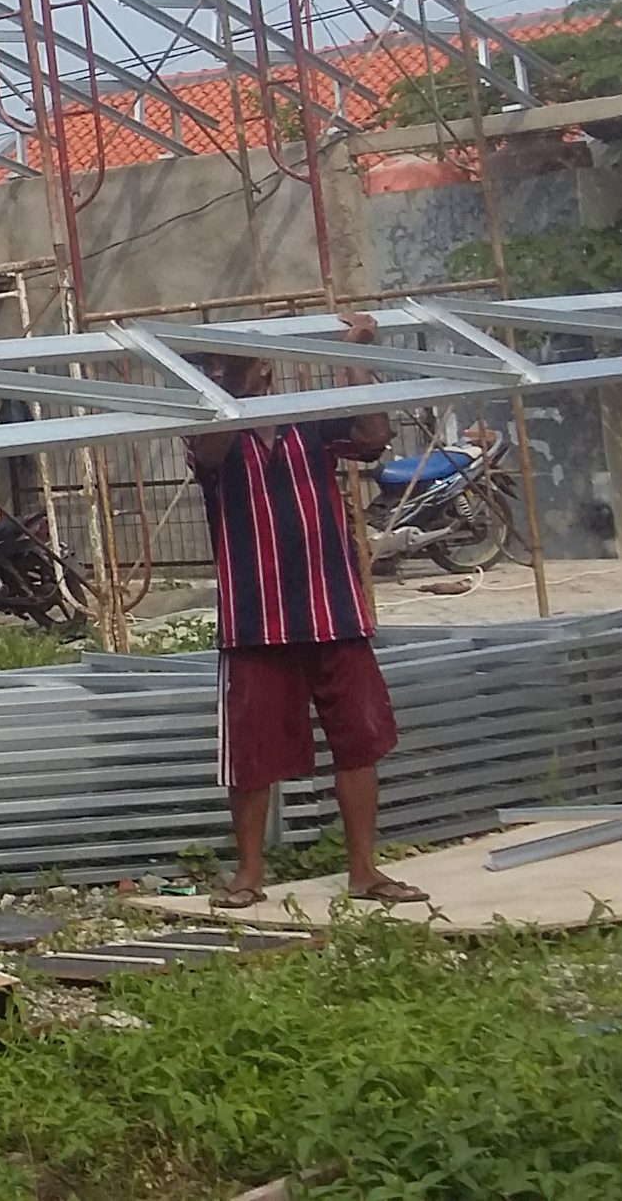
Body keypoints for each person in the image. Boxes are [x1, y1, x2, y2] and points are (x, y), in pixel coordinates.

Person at [186, 312, 426, 909]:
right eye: (219, 364)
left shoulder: (309, 420)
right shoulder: (207, 426)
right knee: (252, 755)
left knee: (360, 739)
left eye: (234, 361)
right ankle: (248, 875)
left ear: (269, 367)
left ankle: (364, 871)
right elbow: (210, 454)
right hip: (255, 618)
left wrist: (353, 359)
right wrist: (232, 383)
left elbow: (372, 436)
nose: (227, 371)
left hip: (331, 608)